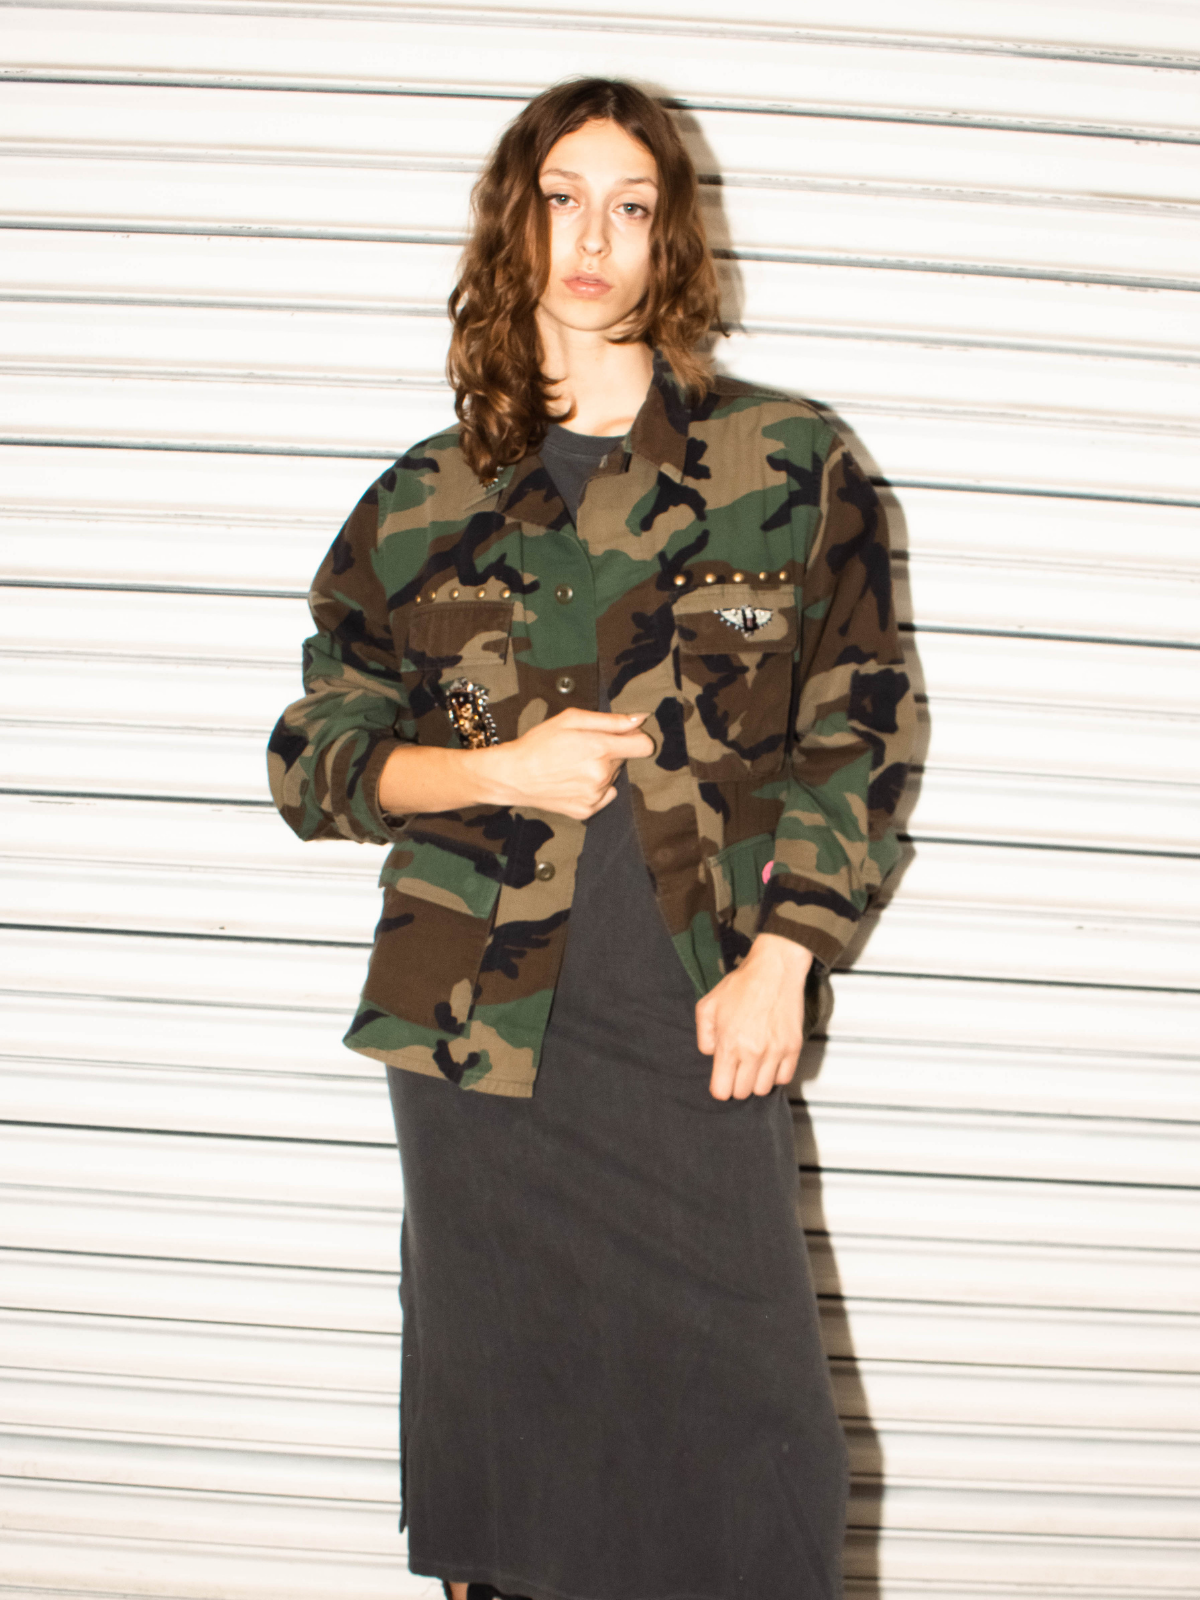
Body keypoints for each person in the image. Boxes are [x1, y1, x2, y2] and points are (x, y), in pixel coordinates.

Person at [268, 76, 914, 1600]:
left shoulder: (787, 465)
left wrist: (786, 959)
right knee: (514, 1468)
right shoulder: (422, 502)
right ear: (515, 226)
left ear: (673, 238)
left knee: (758, 1468)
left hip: (697, 1012)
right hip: (479, 1041)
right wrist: (496, 769)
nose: (593, 239)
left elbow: (862, 730)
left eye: (632, 206)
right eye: (562, 200)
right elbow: (312, 761)